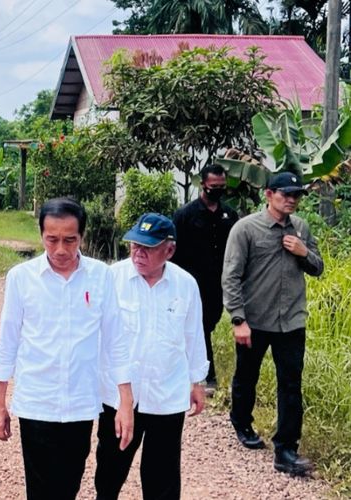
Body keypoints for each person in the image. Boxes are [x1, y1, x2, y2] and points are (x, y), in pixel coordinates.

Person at [0, 197, 133, 500]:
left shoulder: (101, 276)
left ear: (82, 237)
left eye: (70, 240)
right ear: (41, 235)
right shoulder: (21, 278)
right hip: (37, 401)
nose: (61, 249)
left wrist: (125, 403)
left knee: (69, 484)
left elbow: (116, 342)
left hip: (80, 402)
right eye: (52, 240)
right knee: (40, 489)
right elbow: (8, 340)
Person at [97, 213, 209, 500]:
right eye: (135, 245)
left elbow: (193, 335)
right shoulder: (112, 278)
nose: (138, 253)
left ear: (169, 250)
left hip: (166, 395)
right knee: (110, 471)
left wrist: (198, 381)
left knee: (163, 478)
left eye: (147, 247)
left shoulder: (185, 285)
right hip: (119, 397)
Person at [222, 172, 323, 476]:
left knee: (291, 385)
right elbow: (231, 276)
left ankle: (286, 450)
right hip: (255, 320)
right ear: (269, 194)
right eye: (285, 194)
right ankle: (241, 420)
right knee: (246, 376)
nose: (291, 200)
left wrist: (303, 252)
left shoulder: (301, 228)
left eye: (296, 196)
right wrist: (238, 319)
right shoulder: (246, 229)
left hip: (291, 321)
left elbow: (318, 267)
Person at [172, 164, 238, 395]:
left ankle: (196, 370)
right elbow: (173, 251)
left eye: (222, 187)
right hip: (191, 281)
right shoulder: (185, 215)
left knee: (208, 323)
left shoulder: (229, 215)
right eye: (213, 187)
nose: (217, 191)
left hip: (218, 283)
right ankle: (206, 377)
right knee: (199, 326)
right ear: (203, 185)